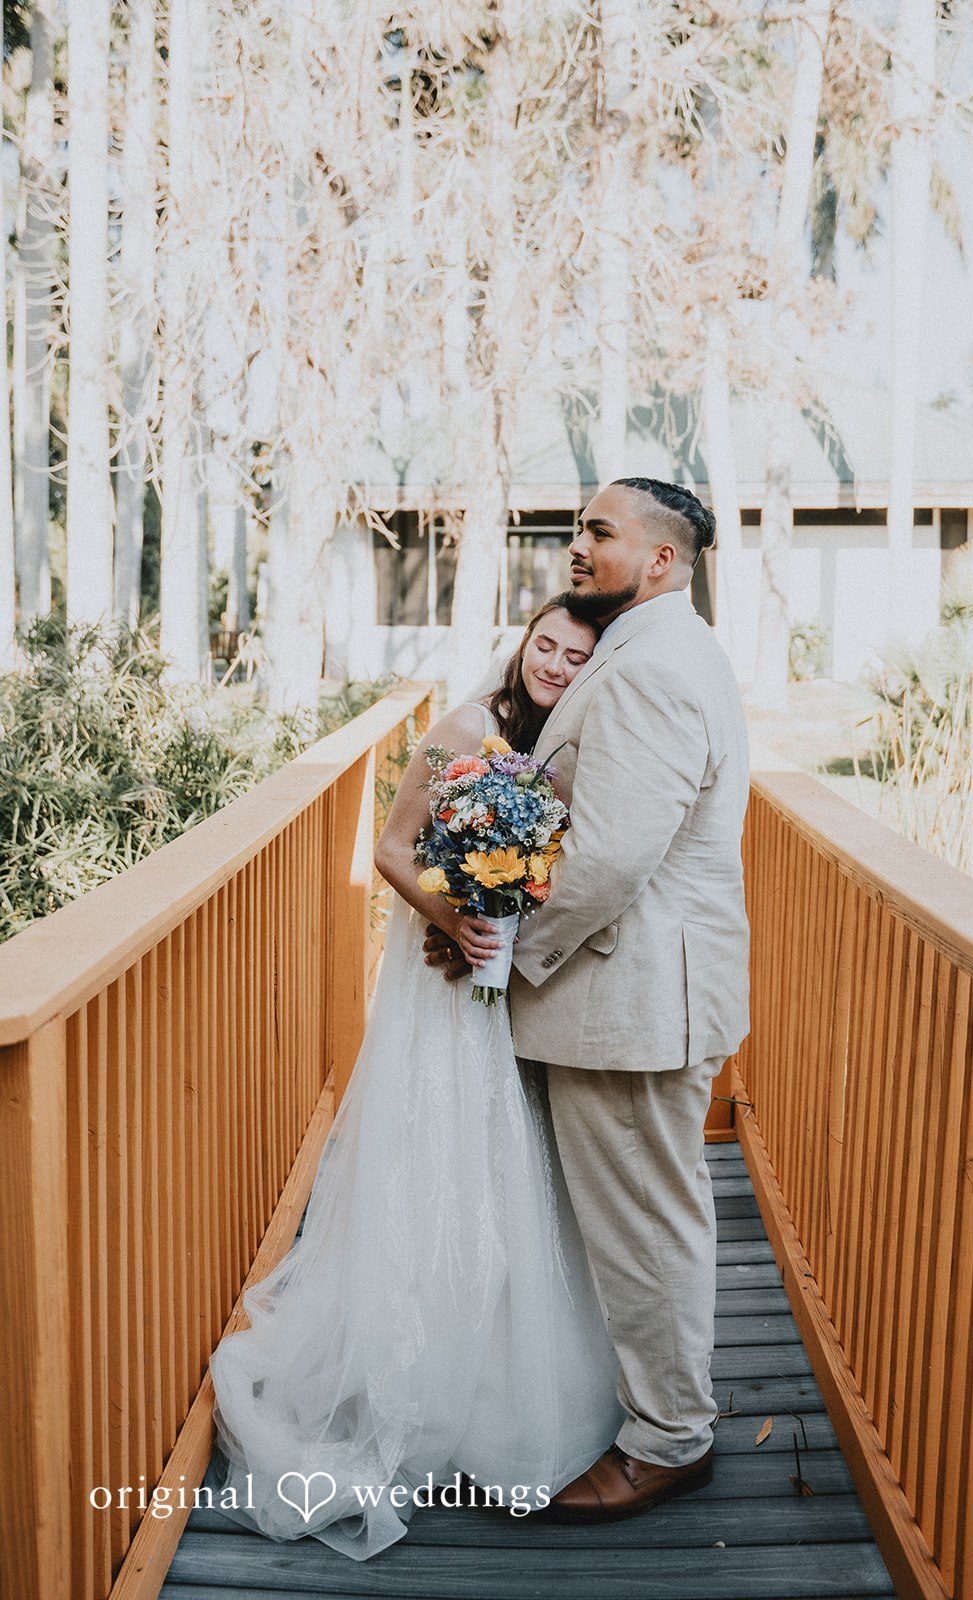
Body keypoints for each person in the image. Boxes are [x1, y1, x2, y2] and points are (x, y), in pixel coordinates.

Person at [205, 594, 627, 1563]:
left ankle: (488, 1373)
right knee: (437, 1150)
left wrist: (506, 902)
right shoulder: (465, 725)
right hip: (443, 974)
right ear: (522, 644)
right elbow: (392, 849)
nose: (556, 664)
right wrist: (455, 921)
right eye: (546, 645)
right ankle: (413, 1372)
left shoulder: (555, 740)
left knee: (498, 1160)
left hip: (496, 975)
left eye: (574, 654)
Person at [424, 477, 751, 1522]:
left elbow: (609, 858)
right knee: (636, 1215)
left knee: (645, 1224)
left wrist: (506, 952)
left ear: (660, 558)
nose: (578, 546)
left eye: (598, 533)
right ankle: (646, 1407)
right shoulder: (644, 648)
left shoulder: (654, 666)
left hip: (634, 997)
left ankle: (667, 1439)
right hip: (630, 989)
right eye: (578, 529)